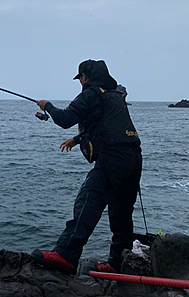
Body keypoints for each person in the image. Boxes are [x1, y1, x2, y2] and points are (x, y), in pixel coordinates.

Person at [31, 59, 142, 275]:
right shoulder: (114, 94)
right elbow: (104, 125)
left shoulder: (91, 93)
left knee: (88, 200)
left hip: (111, 160)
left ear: (85, 77)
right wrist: (77, 139)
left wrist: (47, 106)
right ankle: (118, 263)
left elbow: (64, 118)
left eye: (80, 78)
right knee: (121, 213)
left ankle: (66, 254)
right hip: (133, 158)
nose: (80, 83)